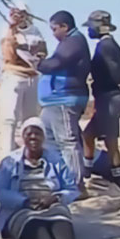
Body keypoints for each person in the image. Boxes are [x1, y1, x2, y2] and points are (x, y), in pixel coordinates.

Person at [0, 117, 81, 239]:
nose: (33, 137)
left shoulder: (56, 160)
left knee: (64, 232)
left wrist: (56, 197)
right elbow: (0, 192)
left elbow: (72, 189)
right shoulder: (9, 161)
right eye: (29, 134)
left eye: (37, 133)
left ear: (43, 137)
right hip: (20, 210)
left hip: (51, 206)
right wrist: (24, 201)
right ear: (23, 138)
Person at [37, 11, 91, 187]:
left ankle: (76, 185)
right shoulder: (67, 43)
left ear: (64, 27)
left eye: (54, 29)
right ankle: (59, 180)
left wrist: (39, 64)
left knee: (67, 142)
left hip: (64, 98)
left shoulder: (74, 41)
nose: (53, 34)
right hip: (52, 101)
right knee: (50, 142)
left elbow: (57, 63)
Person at [81, 11, 120, 188]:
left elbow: (118, 74)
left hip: (110, 98)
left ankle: (118, 178)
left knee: (111, 140)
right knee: (89, 134)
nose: (89, 31)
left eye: (90, 26)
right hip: (107, 98)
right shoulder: (107, 45)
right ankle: (88, 171)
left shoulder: (107, 46)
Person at [0, 1, 47, 152]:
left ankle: (31, 153)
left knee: (31, 118)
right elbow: (8, 56)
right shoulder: (7, 32)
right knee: (10, 118)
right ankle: (7, 153)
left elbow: (42, 53)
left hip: (32, 76)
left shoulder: (35, 31)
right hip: (14, 75)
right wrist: (11, 31)